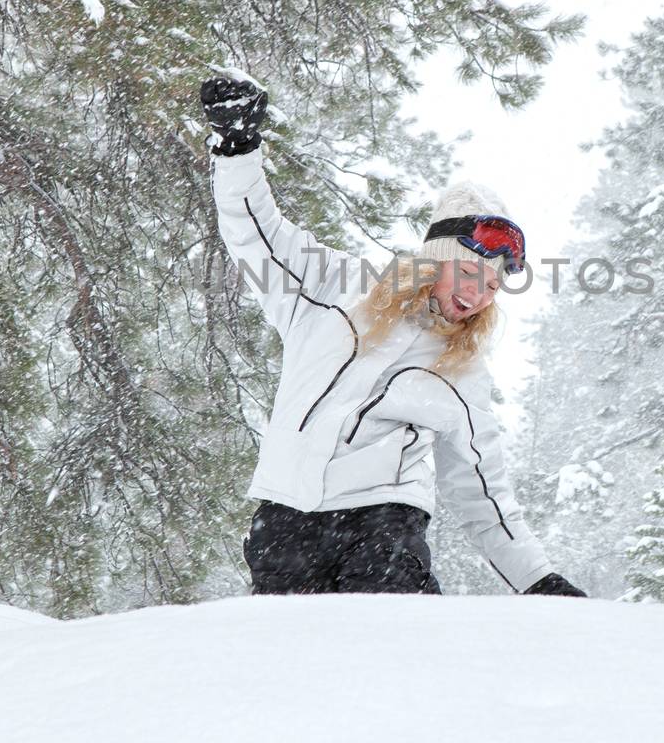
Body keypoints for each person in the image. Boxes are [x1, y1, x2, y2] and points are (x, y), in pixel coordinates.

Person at [201, 73, 586, 598]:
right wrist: (237, 149)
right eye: (473, 274)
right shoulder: (333, 291)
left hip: (383, 526)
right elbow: (256, 232)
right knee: (291, 667)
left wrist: (538, 578)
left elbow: (481, 490)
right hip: (285, 524)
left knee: (392, 651)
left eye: (495, 286)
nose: (481, 295)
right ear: (438, 262)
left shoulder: (461, 370)